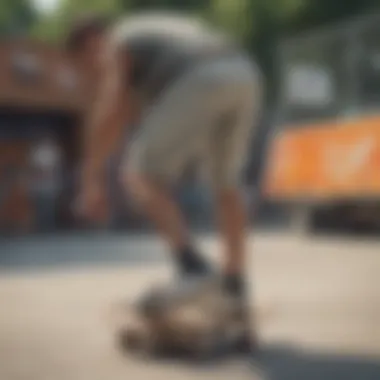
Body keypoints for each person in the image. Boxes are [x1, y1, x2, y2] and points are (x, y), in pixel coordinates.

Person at [68, 11, 263, 351]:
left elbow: (111, 107)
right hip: (244, 74)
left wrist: (91, 177)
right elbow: (129, 118)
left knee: (137, 171)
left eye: (89, 62)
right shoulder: (159, 39)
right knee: (226, 184)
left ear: (91, 43)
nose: (96, 70)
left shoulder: (119, 40)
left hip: (201, 78)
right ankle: (236, 295)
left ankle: (192, 267)